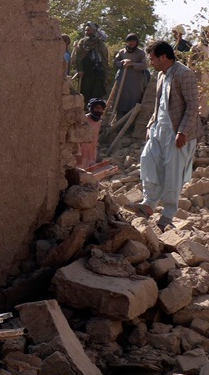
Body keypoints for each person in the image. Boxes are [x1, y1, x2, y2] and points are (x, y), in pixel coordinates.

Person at [129, 41, 202, 231]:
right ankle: (148, 204)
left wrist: (182, 131)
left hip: (177, 131)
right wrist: (151, 124)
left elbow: (193, 105)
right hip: (159, 128)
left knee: (172, 172)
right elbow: (160, 104)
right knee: (148, 160)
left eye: (153, 58)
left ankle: (167, 215)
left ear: (163, 57)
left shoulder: (184, 74)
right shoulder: (161, 74)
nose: (151, 62)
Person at [70, 21, 111, 101]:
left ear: (94, 31)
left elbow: (104, 57)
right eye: (86, 30)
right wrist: (80, 69)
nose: (86, 32)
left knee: (97, 93)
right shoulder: (83, 42)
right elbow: (79, 57)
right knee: (85, 93)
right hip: (87, 71)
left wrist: (105, 71)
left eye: (88, 30)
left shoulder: (100, 43)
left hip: (99, 71)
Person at [112, 33, 149, 116]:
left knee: (133, 100)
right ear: (127, 42)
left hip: (135, 81)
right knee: (120, 99)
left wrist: (132, 64)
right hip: (122, 80)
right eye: (130, 41)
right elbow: (115, 63)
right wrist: (122, 62)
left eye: (134, 41)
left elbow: (144, 65)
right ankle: (118, 117)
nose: (132, 43)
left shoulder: (140, 53)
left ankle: (131, 118)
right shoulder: (122, 52)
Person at [76, 98, 106, 169]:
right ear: (91, 108)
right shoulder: (84, 120)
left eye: (101, 108)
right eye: (97, 107)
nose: (99, 110)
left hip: (91, 154)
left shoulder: (99, 122)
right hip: (81, 153)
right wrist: (78, 154)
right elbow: (76, 138)